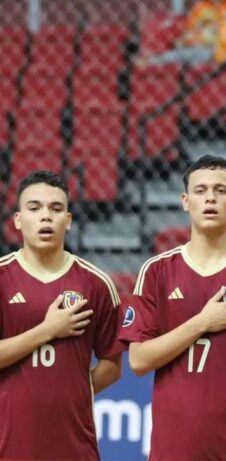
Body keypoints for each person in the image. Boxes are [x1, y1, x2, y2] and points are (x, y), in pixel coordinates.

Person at [119, 155, 226, 460]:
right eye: (200, 191)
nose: (210, 197)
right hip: (173, 449)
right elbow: (139, 360)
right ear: (185, 201)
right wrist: (203, 322)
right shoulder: (157, 271)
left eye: (220, 190)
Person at [0, 171, 123, 460]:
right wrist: (48, 329)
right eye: (34, 208)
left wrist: (73, 392)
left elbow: (112, 365)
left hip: (74, 446)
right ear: (18, 220)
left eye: (56, 209)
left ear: (67, 221)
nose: (46, 217)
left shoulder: (96, 284)